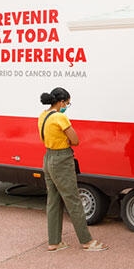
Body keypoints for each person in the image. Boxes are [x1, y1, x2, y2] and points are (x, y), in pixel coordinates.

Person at [38, 87, 108, 253]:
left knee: (53, 201)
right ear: (61, 102)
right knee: (73, 200)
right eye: (67, 103)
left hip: (48, 158)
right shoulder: (60, 117)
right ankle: (87, 241)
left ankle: (54, 242)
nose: (67, 106)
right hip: (62, 159)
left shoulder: (42, 116)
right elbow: (75, 140)